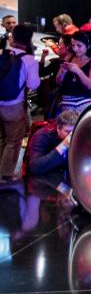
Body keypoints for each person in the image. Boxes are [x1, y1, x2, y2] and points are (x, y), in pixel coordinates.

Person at [0, 25, 41, 180]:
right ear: (29, 39)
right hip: (14, 106)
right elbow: (34, 84)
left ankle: (1, 170)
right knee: (13, 142)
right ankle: (6, 176)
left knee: (3, 139)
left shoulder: (2, 54)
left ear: (13, 38)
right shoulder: (29, 60)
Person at [55, 30, 91, 114]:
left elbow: (90, 85)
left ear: (88, 45)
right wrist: (63, 71)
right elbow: (58, 81)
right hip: (65, 103)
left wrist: (78, 71)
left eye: (79, 46)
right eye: (73, 45)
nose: (75, 49)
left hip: (83, 104)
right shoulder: (69, 57)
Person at [26, 110, 78, 177]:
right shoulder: (41, 136)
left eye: (74, 131)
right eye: (67, 132)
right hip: (44, 177)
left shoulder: (78, 133)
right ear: (58, 129)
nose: (71, 135)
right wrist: (63, 146)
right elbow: (35, 167)